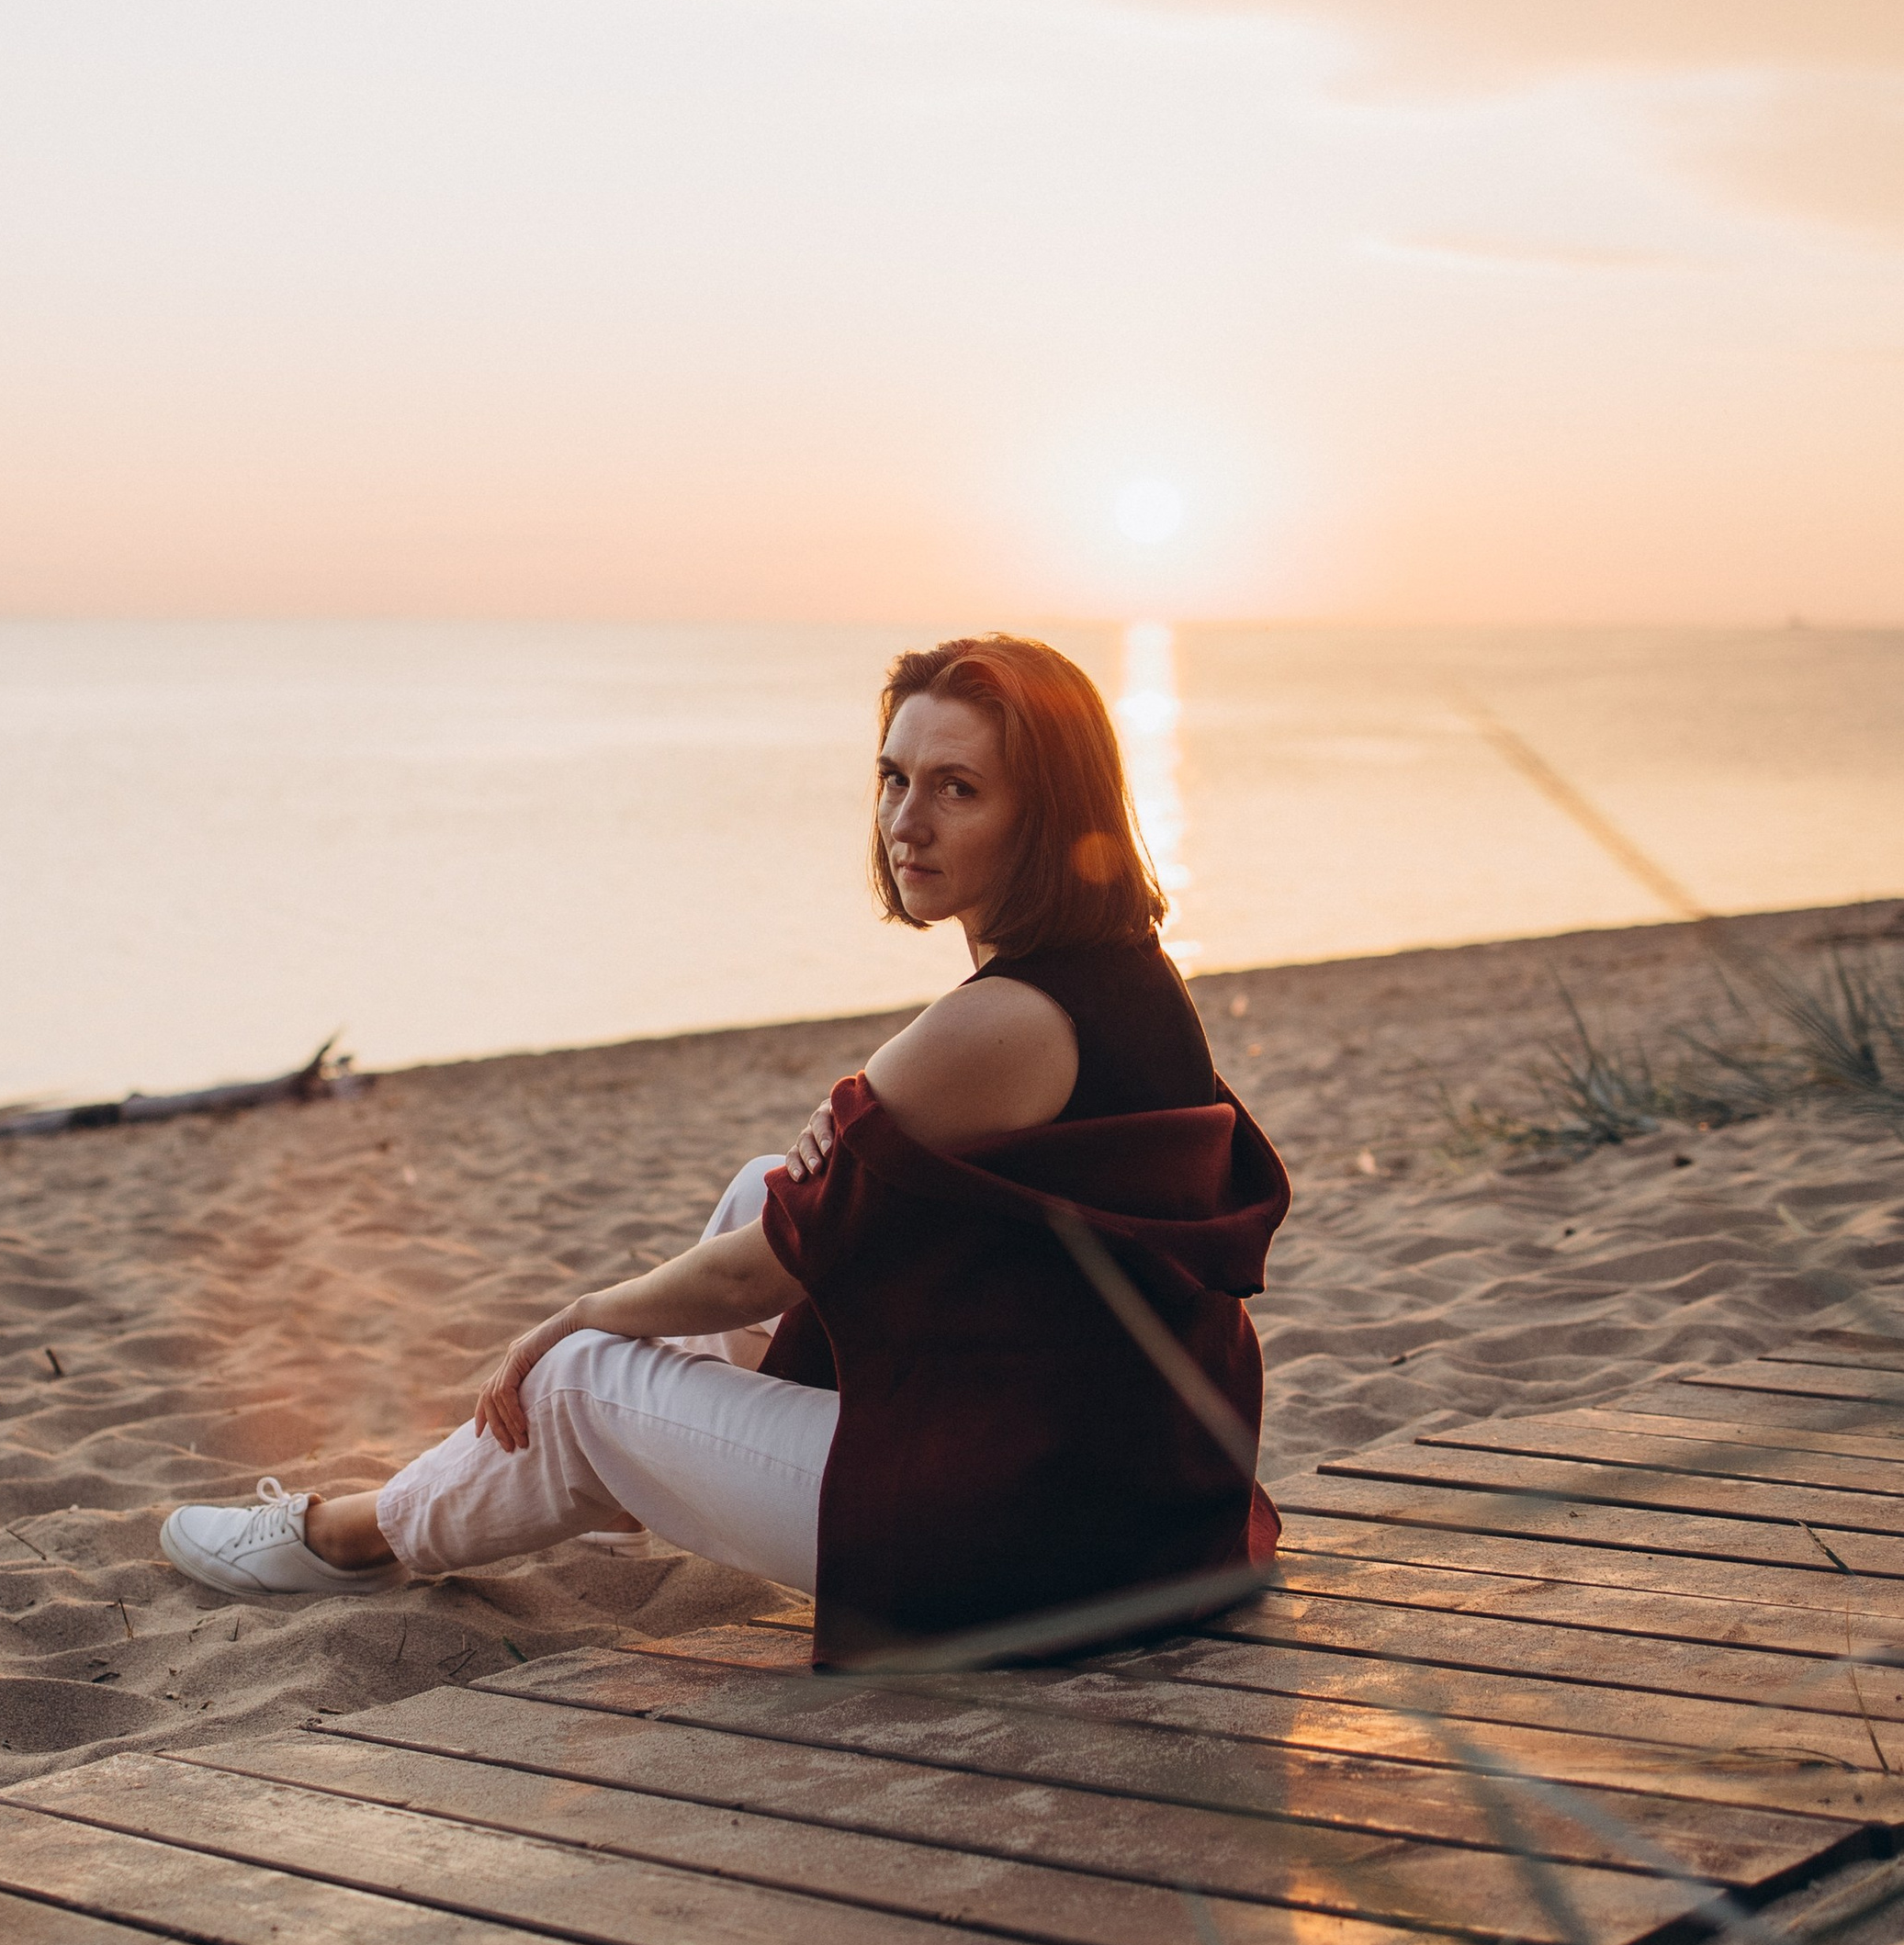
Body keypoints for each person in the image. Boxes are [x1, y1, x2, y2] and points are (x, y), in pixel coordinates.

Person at [161, 634, 1289, 1666]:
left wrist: (567, 1319)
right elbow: (838, 1209)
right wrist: (859, 1131)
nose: (908, 823)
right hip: (1141, 1501)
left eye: (959, 789)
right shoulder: (1128, 977)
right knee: (762, 1183)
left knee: (583, 1375)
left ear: (1042, 816)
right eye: (895, 778)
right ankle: (599, 1462)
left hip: (1033, 1551)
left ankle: (355, 1535)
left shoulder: (1000, 1024)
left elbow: (769, 1269)